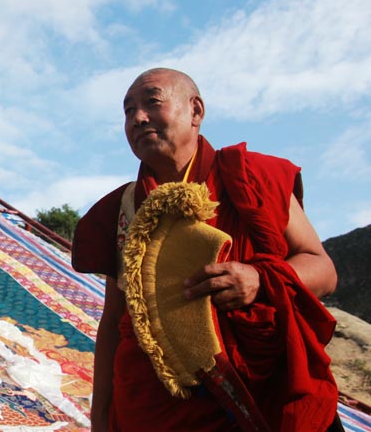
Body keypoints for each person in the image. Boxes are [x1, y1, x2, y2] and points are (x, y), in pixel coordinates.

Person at [72, 68, 341, 432]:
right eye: (128, 110)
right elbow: (114, 319)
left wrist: (259, 278)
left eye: (152, 102)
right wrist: (100, 418)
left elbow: (322, 268)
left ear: (195, 111)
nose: (137, 118)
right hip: (154, 407)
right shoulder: (122, 210)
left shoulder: (249, 176)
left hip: (260, 389)